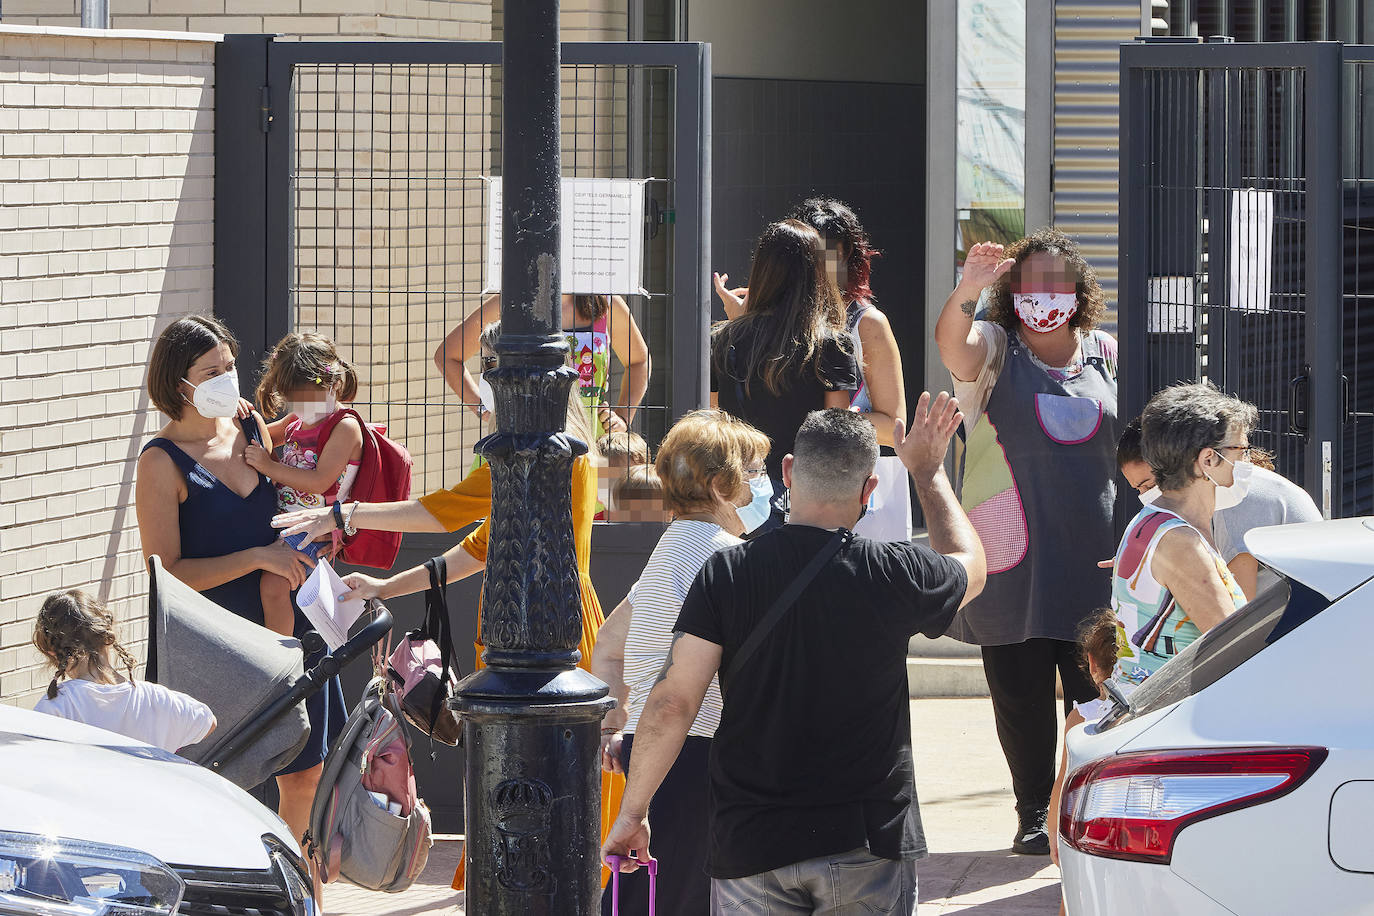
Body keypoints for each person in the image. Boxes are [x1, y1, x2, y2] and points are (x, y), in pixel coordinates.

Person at [602, 399, 987, 915]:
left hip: (753, 842)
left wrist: (634, 811)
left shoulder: (726, 573)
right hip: (866, 838)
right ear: (869, 490)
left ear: (787, 472)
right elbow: (972, 567)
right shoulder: (892, 572)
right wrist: (928, 472)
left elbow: (672, 701)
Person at [933, 228, 1117, 855]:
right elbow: (952, 346)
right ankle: (1034, 813)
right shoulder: (995, 350)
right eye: (1031, 282)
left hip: (1092, 555)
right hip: (1010, 553)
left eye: (1056, 281)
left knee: (1098, 690)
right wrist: (969, 287)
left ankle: (1089, 809)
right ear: (1015, 291)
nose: (1044, 294)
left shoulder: (1107, 354)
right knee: (1020, 696)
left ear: (1077, 289)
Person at [135, 315, 341, 847]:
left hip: (289, 628)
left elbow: (292, 495)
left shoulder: (251, 426)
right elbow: (168, 576)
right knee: (228, 785)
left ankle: (300, 892)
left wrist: (316, 533)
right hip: (217, 646)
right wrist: (256, 557)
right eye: (212, 371)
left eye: (230, 366)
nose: (228, 379)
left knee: (306, 774)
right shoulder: (161, 463)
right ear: (178, 383)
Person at [592, 409, 771, 916]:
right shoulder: (729, 557)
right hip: (698, 752)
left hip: (651, 752)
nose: (761, 485)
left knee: (648, 890)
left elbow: (608, 643)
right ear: (719, 485)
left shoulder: (668, 550)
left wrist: (612, 728)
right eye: (753, 472)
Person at [716, 199, 906, 447]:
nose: (817, 266)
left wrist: (832, 417)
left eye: (827, 254)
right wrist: (744, 324)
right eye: (806, 253)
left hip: (849, 472)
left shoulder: (867, 323)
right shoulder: (762, 323)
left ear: (846, 256)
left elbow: (894, 427)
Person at [711, 219, 859, 532]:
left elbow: (715, 419)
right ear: (816, 275)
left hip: (734, 494)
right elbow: (833, 433)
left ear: (761, 271)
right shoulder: (830, 343)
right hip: (802, 499)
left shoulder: (722, 341)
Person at [1112, 383, 1252, 684]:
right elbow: (1236, 650)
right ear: (1208, 460)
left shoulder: (1151, 521)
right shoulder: (1182, 544)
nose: (1246, 461)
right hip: (1168, 716)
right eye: (1240, 449)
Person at [245, 332, 365, 637]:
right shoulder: (298, 420)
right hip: (291, 524)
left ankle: (280, 656)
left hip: (314, 529)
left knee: (273, 586)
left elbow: (319, 481)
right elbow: (261, 434)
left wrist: (269, 466)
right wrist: (240, 416)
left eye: (306, 398)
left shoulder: (344, 427)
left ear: (332, 384)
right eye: (293, 399)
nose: (299, 406)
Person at [435, 292, 650, 438]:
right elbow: (448, 355)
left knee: (594, 505)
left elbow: (640, 361)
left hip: (591, 443)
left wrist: (622, 417)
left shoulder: (607, 303)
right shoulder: (511, 301)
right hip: (521, 444)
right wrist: (485, 410)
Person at [32, 589, 216, 753]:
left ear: (53, 653)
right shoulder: (156, 698)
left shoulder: (57, 706)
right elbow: (208, 723)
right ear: (108, 637)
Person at [1046, 607, 1120, 903]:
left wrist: (1054, 837)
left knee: (1077, 899)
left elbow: (1063, 782)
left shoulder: (1083, 717)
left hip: (1091, 829)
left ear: (1091, 663)